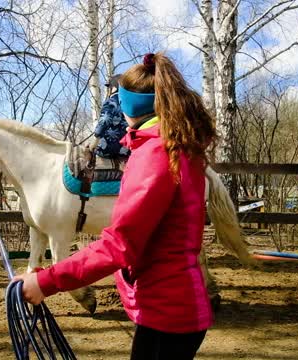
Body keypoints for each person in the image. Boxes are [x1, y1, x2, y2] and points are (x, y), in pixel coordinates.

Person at [13, 52, 217, 359]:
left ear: (130, 106)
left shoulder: (154, 155)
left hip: (167, 311)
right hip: (173, 307)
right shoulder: (178, 148)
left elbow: (119, 245)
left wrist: (46, 281)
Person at [90, 74, 130, 159]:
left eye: (109, 87)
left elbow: (105, 119)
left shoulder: (111, 101)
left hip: (106, 150)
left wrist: (95, 139)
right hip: (125, 150)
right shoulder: (130, 103)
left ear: (114, 88)